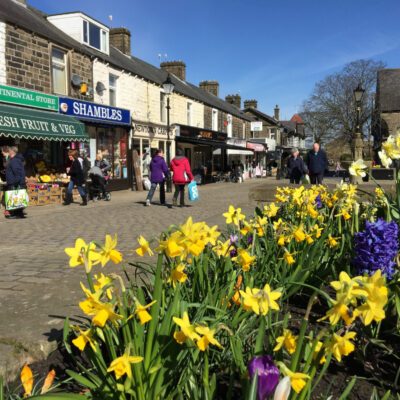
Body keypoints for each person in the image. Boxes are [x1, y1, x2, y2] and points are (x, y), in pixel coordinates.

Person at [5, 146, 26, 219]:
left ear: (12, 152)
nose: (8, 151)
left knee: (15, 198)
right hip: (16, 182)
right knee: (18, 198)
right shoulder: (15, 160)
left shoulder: (14, 161)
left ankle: (16, 214)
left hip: (15, 183)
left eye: (9, 150)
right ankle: (19, 214)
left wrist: (14, 183)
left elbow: (17, 173)